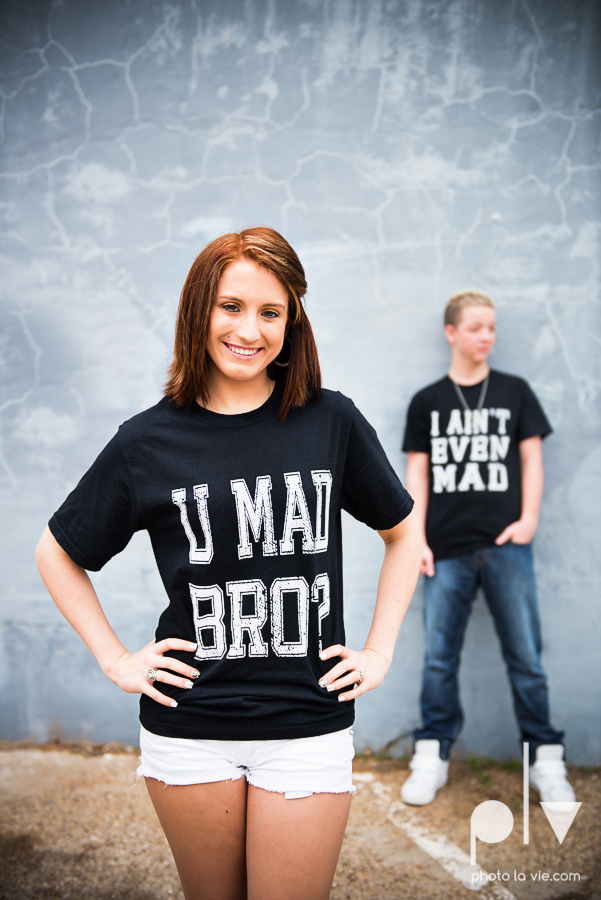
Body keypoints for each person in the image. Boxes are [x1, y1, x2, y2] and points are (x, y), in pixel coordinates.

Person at [35, 227, 422, 900]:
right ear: (198, 312)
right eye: (231, 306)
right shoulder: (146, 441)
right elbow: (58, 552)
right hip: (189, 727)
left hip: (307, 719)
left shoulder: (329, 422)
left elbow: (403, 529)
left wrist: (379, 651)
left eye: (270, 312)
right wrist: (115, 658)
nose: (250, 329)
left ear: (291, 321)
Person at [400, 289, 575, 807]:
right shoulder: (427, 401)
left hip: (506, 547)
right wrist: (418, 540)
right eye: (477, 328)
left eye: (492, 328)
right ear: (451, 333)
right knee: (438, 659)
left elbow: (532, 460)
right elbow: (417, 474)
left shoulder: (515, 391)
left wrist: (528, 521)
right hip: (445, 550)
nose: (487, 337)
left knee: (526, 657)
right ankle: (430, 757)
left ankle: (546, 761)